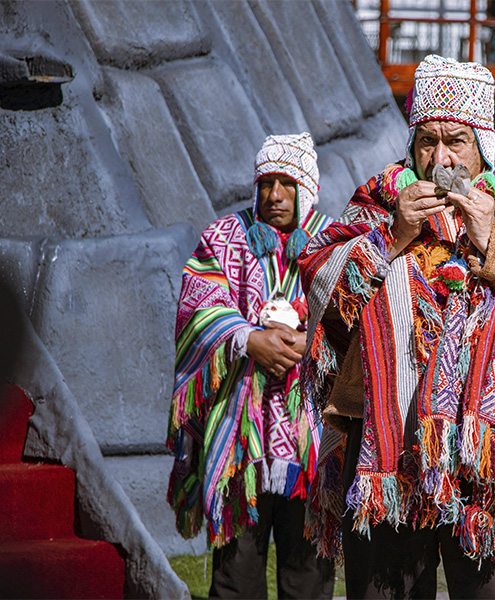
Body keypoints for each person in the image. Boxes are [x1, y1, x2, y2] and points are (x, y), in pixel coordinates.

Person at [299, 54, 495, 599]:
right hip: (389, 449)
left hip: (492, 455)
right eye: (427, 141)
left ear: (482, 142)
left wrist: (491, 238)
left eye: (455, 141)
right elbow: (321, 285)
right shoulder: (383, 198)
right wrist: (393, 235)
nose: (440, 158)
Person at [166, 133, 335, 599]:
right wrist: (248, 339)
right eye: (266, 182)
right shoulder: (222, 238)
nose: (274, 194)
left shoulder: (332, 241)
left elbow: (355, 317)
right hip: (237, 446)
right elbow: (196, 308)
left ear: (307, 189)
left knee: (308, 580)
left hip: (311, 448)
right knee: (235, 580)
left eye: (286, 182)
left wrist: (309, 342)